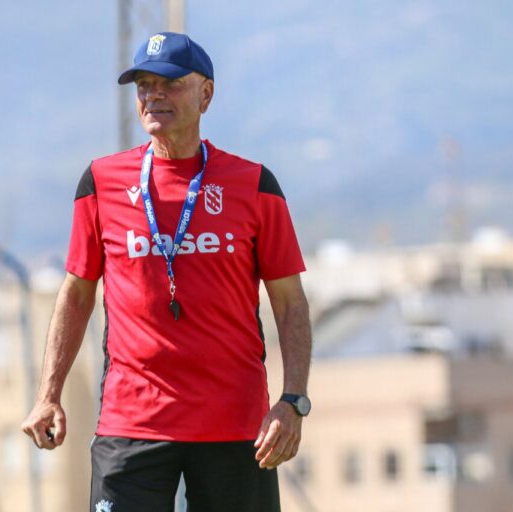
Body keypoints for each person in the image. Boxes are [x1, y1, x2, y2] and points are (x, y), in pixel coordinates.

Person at [21, 32, 312, 512]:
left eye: (170, 83)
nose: (154, 95)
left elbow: (290, 301)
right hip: (132, 424)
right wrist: (47, 393)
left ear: (205, 94)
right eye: (144, 85)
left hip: (235, 427)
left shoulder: (255, 185)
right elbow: (76, 294)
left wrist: (293, 400)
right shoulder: (100, 183)